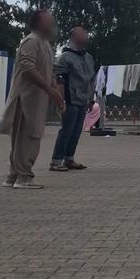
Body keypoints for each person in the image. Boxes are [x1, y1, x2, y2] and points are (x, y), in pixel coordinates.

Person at [0, 10, 63, 189]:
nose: (53, 24)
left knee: (27, 137)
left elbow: (49, 72)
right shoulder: (31, 41)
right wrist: (48, 89)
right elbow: (27, 67)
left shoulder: (45, 43)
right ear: (40, 23)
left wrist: (55, 92)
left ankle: (14, 175)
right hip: (25, 99)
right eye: (50, 21)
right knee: (27, 138)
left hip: (37, 100)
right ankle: (24, 177)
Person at [49, 27, 94, 172]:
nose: (85, 36)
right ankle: (56, 161)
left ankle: (69, 159)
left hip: (83, 99)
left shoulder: (88, 57)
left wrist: (91, 98)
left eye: (85, 34)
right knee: (67, 130)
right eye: (81, 34)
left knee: (77, 130)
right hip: (70, 99)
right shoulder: (65, 57)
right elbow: (60, 79)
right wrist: (61, 100)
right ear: (73, 37)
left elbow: (90, 80)